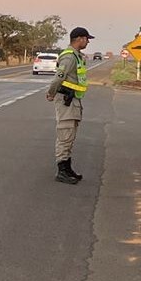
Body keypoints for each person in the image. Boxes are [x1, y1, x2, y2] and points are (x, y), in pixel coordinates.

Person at [45, 27, 93, 184]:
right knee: (65, 134)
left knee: (70, 134)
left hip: (73, 100)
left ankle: (67, 167)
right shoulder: (70, 57)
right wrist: (51, 93)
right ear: (79, 38)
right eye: (86, 38)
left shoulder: (77, 56)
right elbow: (58, 78)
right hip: (66, 99)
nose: (88, 41)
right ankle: (62, 170)